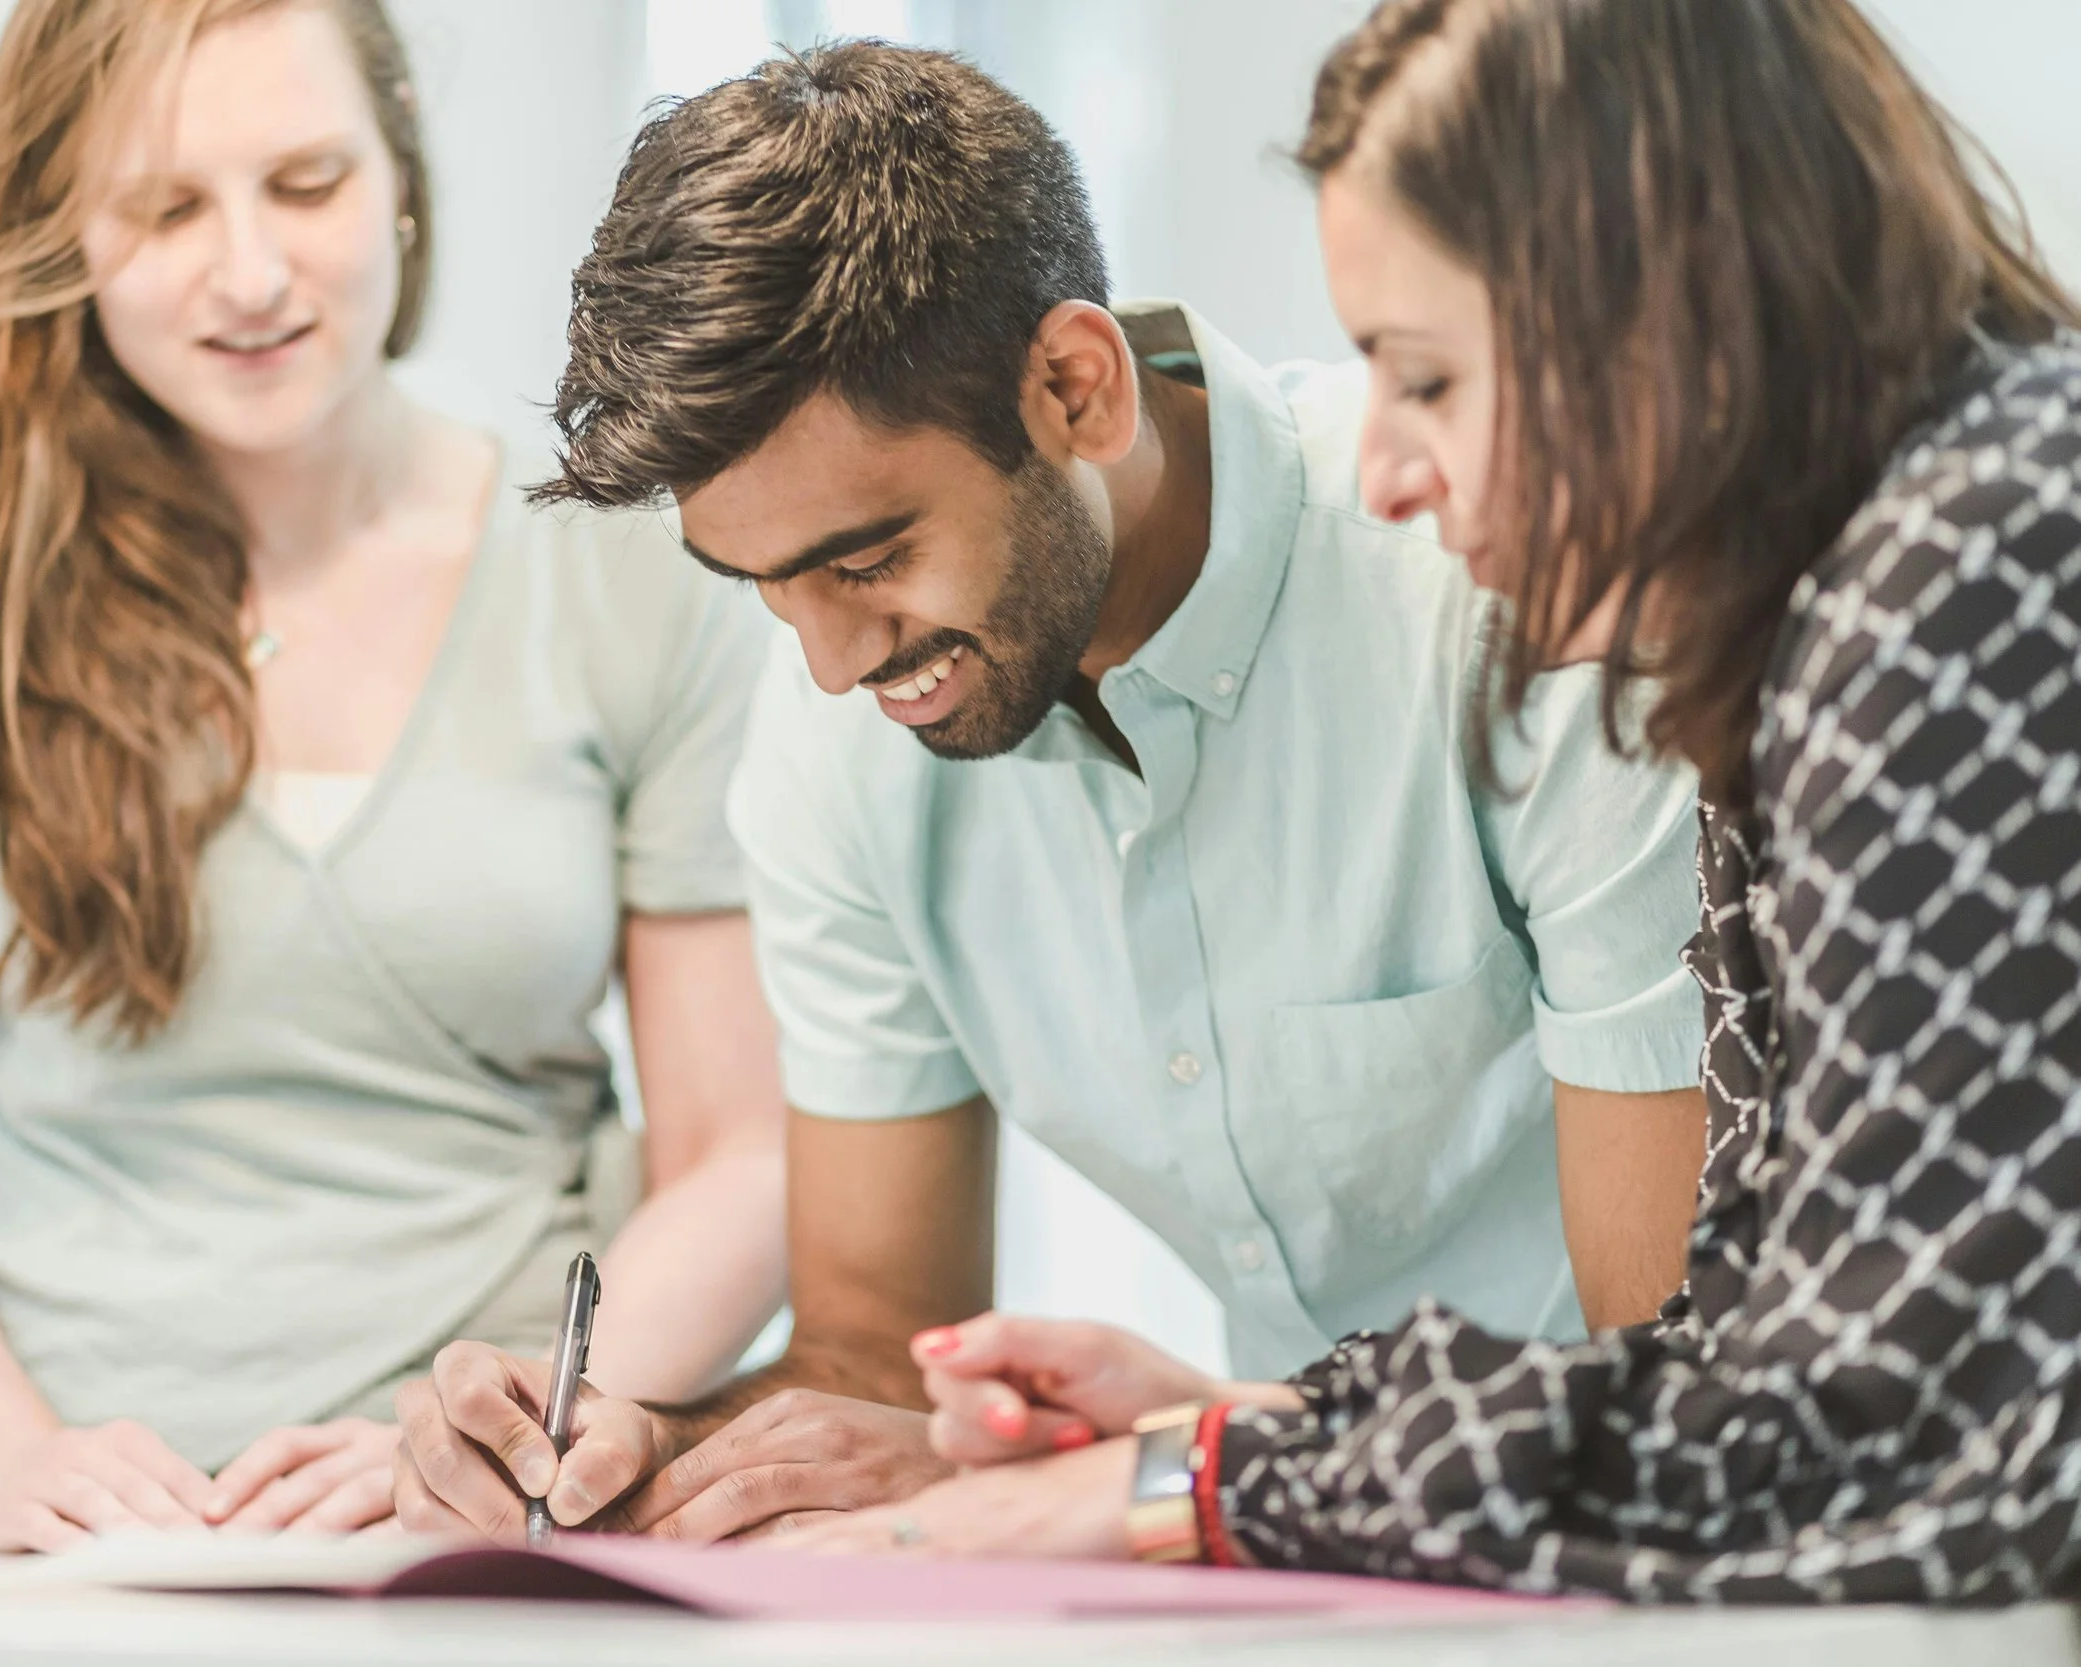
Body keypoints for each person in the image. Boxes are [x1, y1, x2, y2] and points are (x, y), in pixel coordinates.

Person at [775, 0, 2081, 1604]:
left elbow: (1889, 1449)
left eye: (1431, 377)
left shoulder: (1968, 568)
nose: (1384, 467)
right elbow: (1734, 1366)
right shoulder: (1823, 617)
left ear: (1677, 305)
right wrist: (1262, 1423)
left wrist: (1204, 1479)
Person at [394, 40, 1713, 1546]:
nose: (829, 664)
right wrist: (653, 1443)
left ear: (1075, 387)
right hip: (1281, 1553)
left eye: (866, 558)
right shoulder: (837, 748)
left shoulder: (1507, 586)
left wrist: (1177, 1463)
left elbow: (1659, 1372)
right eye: (764, 584)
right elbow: (876, 1356)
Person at [0, 0, 785, 1553]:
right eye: (167, 207)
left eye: (310, 184)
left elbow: (743, 1148)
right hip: (68, 1568)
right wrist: (9, 1461)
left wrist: (504, 1446)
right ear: (67, 231)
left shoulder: (629, 580)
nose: (254, 274)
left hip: (487, 1545)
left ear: (401, 175)